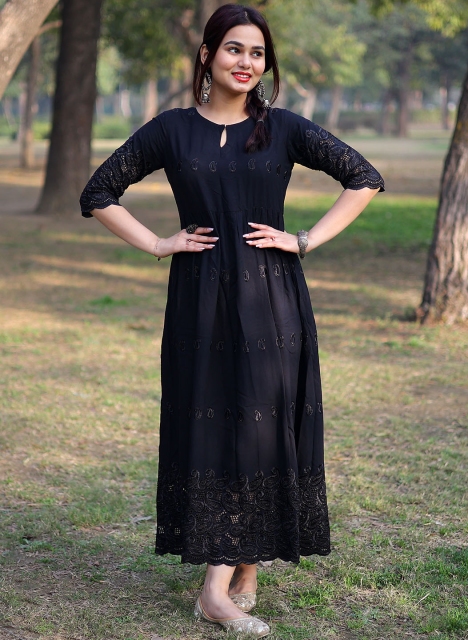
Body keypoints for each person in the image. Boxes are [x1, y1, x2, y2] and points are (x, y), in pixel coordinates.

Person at [80, 4, 384, 637]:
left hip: (273, 302)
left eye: (257, 53)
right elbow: (98, 193)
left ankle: (224, 584)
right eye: (234, 49)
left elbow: (363, 177)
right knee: (217, 426)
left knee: (261, 427)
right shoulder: (171, 130)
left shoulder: (285, 129)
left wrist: (303, 239)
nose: (247, 63)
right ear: (207, 54)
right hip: (198, 304)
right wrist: (158, 243)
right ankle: (236, 575)